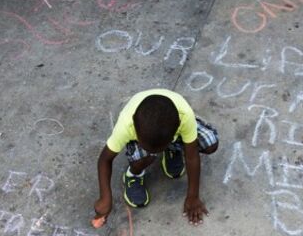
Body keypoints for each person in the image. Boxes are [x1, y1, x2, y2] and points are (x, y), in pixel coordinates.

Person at [93, 89, 218, 226]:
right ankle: (134, 174)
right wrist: (105, 196)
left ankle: (173, 150)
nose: (155, 153)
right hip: (150, 128)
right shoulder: (126, 124)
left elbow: (192, 156)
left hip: (171, 128)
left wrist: (193, 196)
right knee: (143, 158)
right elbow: (105, 159)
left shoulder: (184, 116)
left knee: (210, 144)